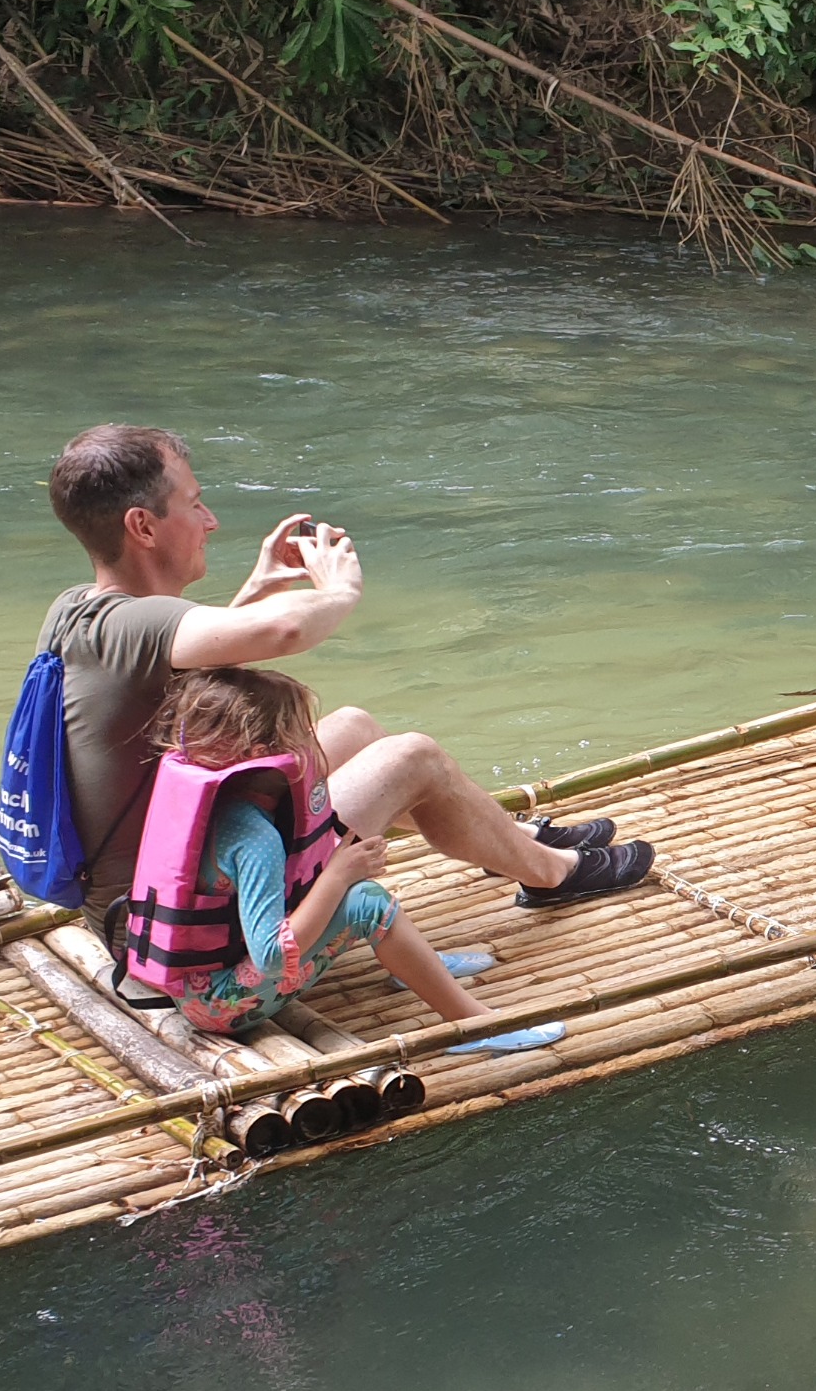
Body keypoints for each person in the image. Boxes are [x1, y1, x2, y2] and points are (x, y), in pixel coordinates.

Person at [34, 423, 652, 923]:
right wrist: (338, 588)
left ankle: (506, 841)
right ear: (142, 526)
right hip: (178, 912)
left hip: (165, 867)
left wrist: (258, 586)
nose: (211, 520)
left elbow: (195, 665)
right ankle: (551, 876)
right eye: (193, 505)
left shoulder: (78, 611)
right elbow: (287, 631)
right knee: (413, 758)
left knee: (354, 727)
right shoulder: (128, 626)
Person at [122, 668, 560, 1053]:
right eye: (300, 732)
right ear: (262, 752)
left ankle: (417, 966)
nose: (312, 740)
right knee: (364, 898)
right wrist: (338, 875)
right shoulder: (253, 837)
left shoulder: (214, 802)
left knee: (342, 872)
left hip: (192, 979)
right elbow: (273, 955)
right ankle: (473, 1025)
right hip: (218, 1004)